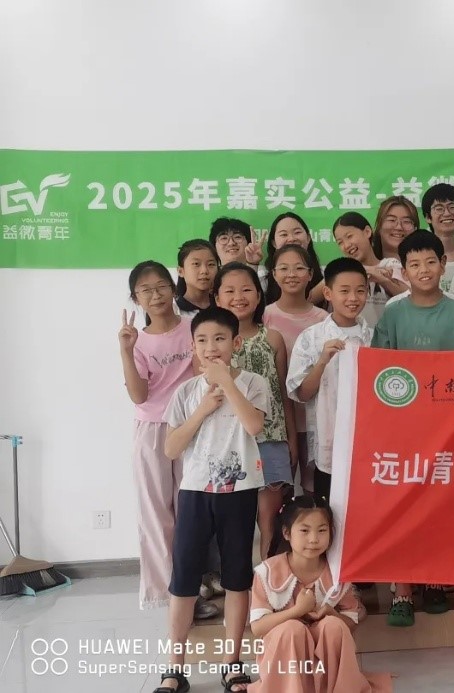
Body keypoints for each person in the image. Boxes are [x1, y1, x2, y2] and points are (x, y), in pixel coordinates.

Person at [372, 230, 454, 626]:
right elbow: (379, 372)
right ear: (403, 271)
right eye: (414, 264)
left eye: (430, 262)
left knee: (440, 507)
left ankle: (435, 580)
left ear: (443, 265)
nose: (423, 270)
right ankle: (402, 588)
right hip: (403, 430)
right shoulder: (393, 314)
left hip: (448, 429)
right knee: (402, 507)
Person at [158, 306, 270, 693]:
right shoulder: (186, 392)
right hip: (194, 492)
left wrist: (227, 383)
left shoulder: (254, 383)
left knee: (237, 577)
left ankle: (232, 661)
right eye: (202, 340)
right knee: (184, 579)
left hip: (239, 492)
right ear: (193, 347)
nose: (211, 347)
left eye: (220, 338)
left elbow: (254, 425)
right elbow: (171, 448)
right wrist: (203, 409)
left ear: (236, 343)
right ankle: (174, 668)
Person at [248, 495, 392, 692]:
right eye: (305, 531)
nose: (314, 539)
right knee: (291, 629)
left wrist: (331, 613)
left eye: (322, 530)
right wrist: (297, 611)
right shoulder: (268, 572)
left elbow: (351, 621)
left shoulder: (337, 573)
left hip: (325, 652)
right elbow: (258, 627)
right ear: (287, 533)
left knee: (334, 626)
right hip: (286, 651)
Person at [119, 262, 194, 612]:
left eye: (161, 286)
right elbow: (138, 395)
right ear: (136, 298)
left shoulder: (195, 328)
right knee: (154, 514)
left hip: (193, 427)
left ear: (173, 288)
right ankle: (166, 594)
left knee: (191, 512)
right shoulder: (138, 341)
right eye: (146, 290)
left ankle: (192, 588)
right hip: (152, 430)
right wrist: (125, 351)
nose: (156, 295)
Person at [214, 262, 295, 560]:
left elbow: (283, 394)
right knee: (235, 519)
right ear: (217, 298)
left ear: (259, 296)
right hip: (230, 443)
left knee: (270, 519)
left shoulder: (272, 339)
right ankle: (238, 578)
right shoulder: (213, 344)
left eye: (247, 289)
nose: (239, 297)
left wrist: (292, 440)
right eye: (230, 291)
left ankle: (268, 575)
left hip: (271, 439)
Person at [287, 258, 374, 501]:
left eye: (360, 291)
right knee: (328, 510)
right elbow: (302, 394)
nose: (353, 298)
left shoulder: (374, 338)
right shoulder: (311, 338)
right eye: (344, 291)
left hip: (369, 443)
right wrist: (322, 361)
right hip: (329, 444)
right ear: (328, 293)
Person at [264, 244, 330, 494]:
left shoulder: (324, 319)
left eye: (299, 268)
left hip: (316, 416)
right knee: (280, 488)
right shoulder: (265, 316)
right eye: (283, 268)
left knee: (314, 486)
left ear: (310, 274)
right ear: (274, 274)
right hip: (279, 418)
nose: (291, 274)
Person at [332, 211, 407, 327]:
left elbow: (411, 297)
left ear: (367, 231)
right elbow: (311, 297)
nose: (346, 245)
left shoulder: (390, 265)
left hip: (389, 335)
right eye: (340, 242)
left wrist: (383, 279)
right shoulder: (343, 273)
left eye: (349, 236)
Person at [263, 212, 325, 306]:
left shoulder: (325, 276)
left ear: (308, 238)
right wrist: (252, 263)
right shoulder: (264, 278)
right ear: (274, 243)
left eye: (297, 232)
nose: (291, 239)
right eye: (284, 234)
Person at [421, 182, 454, 291]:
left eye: (452, 207)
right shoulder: (419, 263)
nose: (447, 213)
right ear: (428, 217)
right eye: (439, 208)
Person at [209, 217, 269, 283]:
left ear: (248, 243)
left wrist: (253, 265)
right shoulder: (209, 276)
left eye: (237, 237)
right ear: (214, 246)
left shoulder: (263, 275)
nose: (231, 243)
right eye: (224, 238)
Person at [175, 239, 219, 316]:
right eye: (196, 264)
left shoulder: (223, 306)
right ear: (181, 271)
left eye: (211, 264)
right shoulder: (174, 310)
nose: (204, 271)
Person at [371, 195, 420, 261]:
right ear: (379, 226)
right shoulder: (363, 265)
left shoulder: (426, 266)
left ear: (415, 229)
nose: (399, 227)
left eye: (406, 221)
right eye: (392, 220)